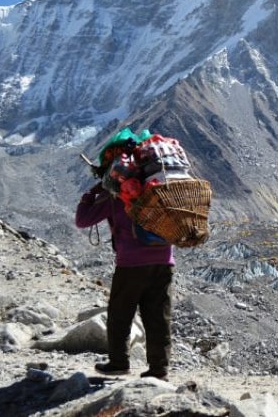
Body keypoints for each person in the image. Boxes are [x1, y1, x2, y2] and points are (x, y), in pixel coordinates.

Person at [75, 131, 174, 381]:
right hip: (164, 259)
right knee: (158, 316)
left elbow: (82, 220)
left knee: (120, 313)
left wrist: (93, 192)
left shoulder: (117, 193)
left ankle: (118, 362)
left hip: (131, 263)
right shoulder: (159, 186)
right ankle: (159, 369)